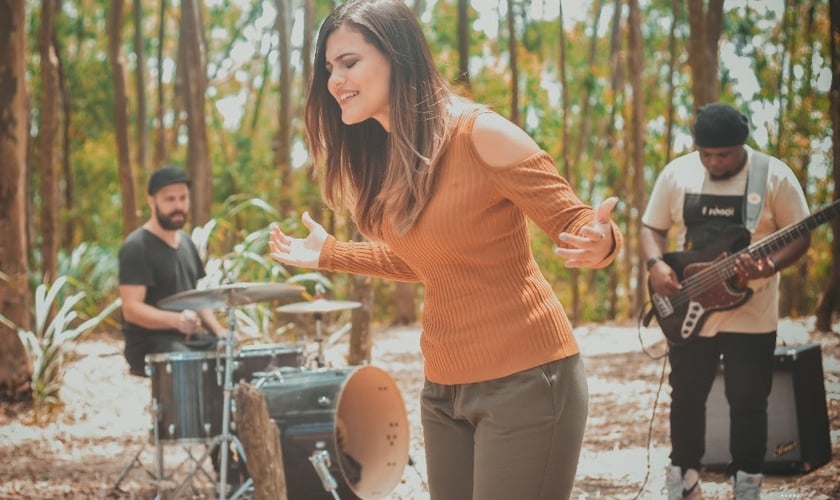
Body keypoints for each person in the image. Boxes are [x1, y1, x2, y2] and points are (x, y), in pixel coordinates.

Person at [268, 1, 622, 499]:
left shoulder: (480, 133)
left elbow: (576, 219)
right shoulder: (389, 157)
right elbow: (431, 260)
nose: (334, 79)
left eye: (349, 62)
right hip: (444, 391)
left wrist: (601, 240)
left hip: (527, 380)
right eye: (329, 68)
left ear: (397, 56)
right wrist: (331, 254)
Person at [640, 103, 811, 500]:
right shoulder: (677, 173)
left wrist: (769, 266)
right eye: (707, 155)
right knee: (685, 395)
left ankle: (747, 482)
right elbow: (652, 226)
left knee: (749, 398)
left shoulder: (773, 176)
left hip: (752, 313)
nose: (715, 163)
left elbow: (801, 233)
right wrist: (654, 265)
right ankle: (683, 477)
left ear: (742, 146)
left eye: (724, 155)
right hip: (690, 308)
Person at [118, 165, 227, 377]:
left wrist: (220, 332)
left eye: (183, 198)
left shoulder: (186, 242)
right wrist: (176, 321)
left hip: (186, 340)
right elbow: (131, 309)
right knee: (186, 363)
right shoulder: (136, 246)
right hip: (150, 343)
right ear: (152, 201)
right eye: (170, 199)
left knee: (230, 357)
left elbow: (197, 300)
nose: (178, 205)